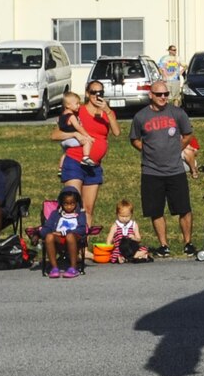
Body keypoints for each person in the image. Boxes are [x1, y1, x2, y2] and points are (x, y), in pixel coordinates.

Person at [128, 81, 194, 255]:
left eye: (166, 94)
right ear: (151, 95)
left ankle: (188, 243)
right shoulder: (141, 117)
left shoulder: (178, 113)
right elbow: (134, 139)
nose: (163, 97)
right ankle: (164, 245)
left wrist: (177, 149)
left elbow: (187, 135)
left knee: (184, 209)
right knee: (156, 210)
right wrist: (147, 150)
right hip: (151, 171)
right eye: (159, 94)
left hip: (175, 170)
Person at [75, 82, 120, 228]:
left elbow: (117, 132)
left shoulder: (107, 113)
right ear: (87, 93)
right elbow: (56, 134)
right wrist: (75, 134)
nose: (97, 96)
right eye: (93, 92)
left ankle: (84, 247)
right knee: (74, 206)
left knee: (88, 209)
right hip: (76, 161)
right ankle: (70, 243)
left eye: (100, 92)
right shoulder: (78, 111)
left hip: (94, 165)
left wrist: (107, 111)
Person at [39, 187, 88, 278]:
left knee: (69, 236)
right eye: (66, 204)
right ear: (61, 203)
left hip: (74, 238)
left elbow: (82, 229)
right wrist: (41, 233)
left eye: (72, 203)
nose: (69, 206)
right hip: (58, 239)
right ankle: (54, 268)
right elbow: (48, 227)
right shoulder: (55, 213)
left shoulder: (80, 214)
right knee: (49, 236)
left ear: (77, 203)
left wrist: (64, 233)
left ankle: (73, 267)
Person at [108, 197, 151, 263]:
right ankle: (128, 257)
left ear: (131, 214)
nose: (124, 218)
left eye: (127, 216)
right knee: (114, 254)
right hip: (120, 248)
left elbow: (139, 239)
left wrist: (134, 238)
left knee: (144, 249)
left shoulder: (133, 224)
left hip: (132, 247)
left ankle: (129, 257)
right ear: (117, 214)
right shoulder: (115, 225)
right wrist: (108, 247)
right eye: (122, 216)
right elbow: (109, 239)